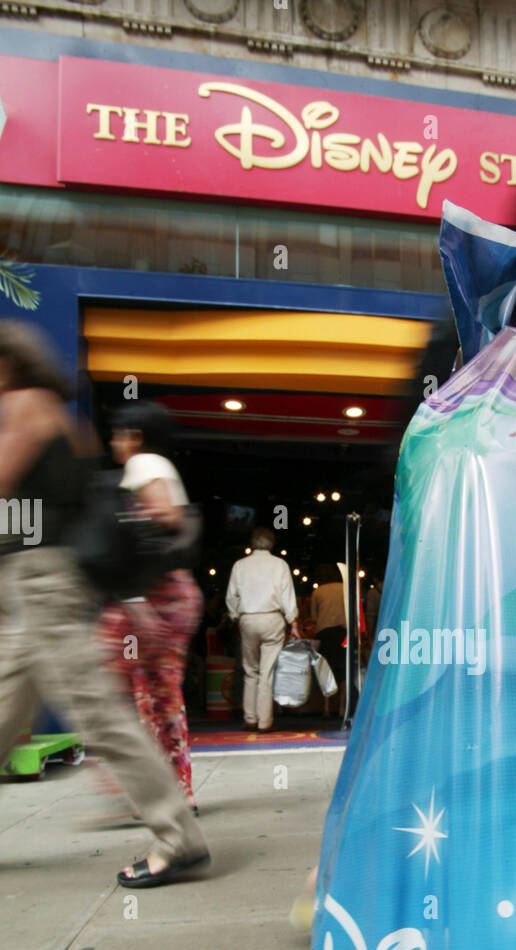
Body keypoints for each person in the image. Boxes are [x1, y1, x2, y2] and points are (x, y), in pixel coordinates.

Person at [0, 321, 209, 888]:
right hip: (35, 581)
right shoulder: (63, 420)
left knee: (102, 712)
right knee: (5, 709)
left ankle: (177, 835)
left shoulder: (26, 405)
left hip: (44, 581)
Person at [98, 402, 202, 811]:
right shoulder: (158, 465)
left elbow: (165, 515)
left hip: (153, 596)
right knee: (160, 698)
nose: (113, 442)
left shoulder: (143, 463)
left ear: (134, 437)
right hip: (170, 595)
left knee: (102, 682)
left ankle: (126, 783)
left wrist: (135, 591)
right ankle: (176, 791)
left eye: (118, 433)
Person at [226, 527, 299, 732]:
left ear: (252, 543)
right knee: (267, 672)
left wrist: (234, 616)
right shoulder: (280, 565)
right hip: (272, 618)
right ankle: (265, 721)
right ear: (272, 544)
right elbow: (287, 596)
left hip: (248, 619)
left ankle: (249, 718)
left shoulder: (240, 565)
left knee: (250, 671)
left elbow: (232, 596)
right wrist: (292, 621)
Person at [309, 564, 346, 718]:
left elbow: (314, 618)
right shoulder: (346, 588)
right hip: (344, 632)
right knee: (344, 670)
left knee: (326, 670)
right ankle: (342, 708)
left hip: (324, 633)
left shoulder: (318, 592)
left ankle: (326, 707)